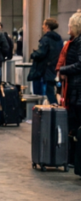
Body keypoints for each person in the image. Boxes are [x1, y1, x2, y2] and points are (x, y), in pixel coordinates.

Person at [57, 12, 81, 171]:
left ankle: (74, 158)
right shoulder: (75, 42)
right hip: (74, 89)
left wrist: (63, 70)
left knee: (75, 123)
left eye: (70, 25)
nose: (68, 27)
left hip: (77, 90)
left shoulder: (78, 43)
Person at [29, 18, 63, 105]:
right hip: (55, 67)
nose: (42, 26)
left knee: (47, 92)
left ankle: (49, 111)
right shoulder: (59, 39)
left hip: (45, 69)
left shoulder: (46, 39)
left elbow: (42, 53)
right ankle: (54, 110)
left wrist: (33, 54)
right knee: (53, 90)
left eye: (43, 24)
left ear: (47, 26)